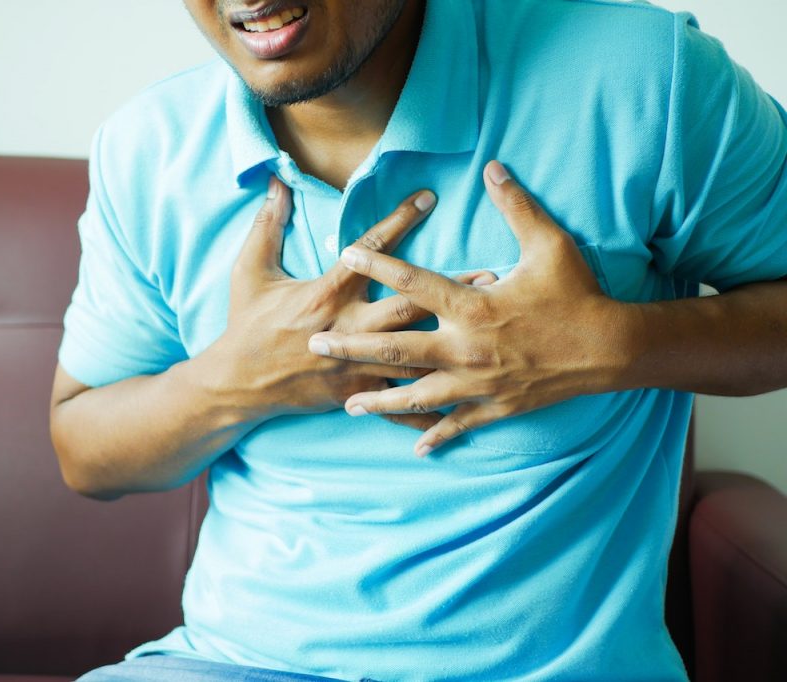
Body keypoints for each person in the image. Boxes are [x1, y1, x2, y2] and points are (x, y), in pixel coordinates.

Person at [48, 0, 787, 680]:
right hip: (227, 663)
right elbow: (83, 448)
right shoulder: (145, 148)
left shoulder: (646, 75)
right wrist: (235, 380)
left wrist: (613, 346)